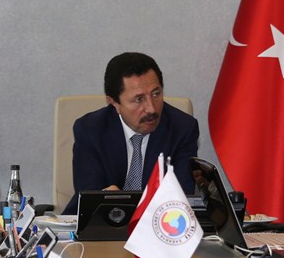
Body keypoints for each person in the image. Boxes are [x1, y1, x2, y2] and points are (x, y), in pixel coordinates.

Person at [63, 52, 200, 214]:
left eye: (156, 94)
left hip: (158, 223)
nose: (151, 108)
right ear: (114, 103)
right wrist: (107, 197)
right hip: (101, 222)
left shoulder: (182, 128)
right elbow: (90, 196)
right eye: (138, 99)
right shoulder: (90, 130)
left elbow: (180, 198)